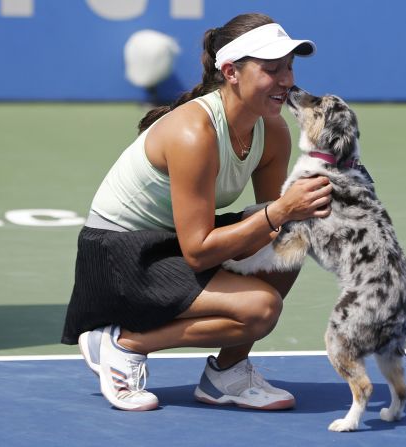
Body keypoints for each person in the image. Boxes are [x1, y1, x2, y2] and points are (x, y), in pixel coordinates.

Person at [61, 12, 333, 412]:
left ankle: (227, 375)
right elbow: (201, 251)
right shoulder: (194, 133)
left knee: (291, 241)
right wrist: (280, 213)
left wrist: (321, 212)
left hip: (176, 241)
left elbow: (275, 222)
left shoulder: (271, 129)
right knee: (260, 308)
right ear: (231, 72)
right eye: (272, 69)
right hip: (121, 257)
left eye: (289, 68)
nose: (287, 80)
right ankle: (122, 344)